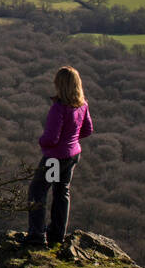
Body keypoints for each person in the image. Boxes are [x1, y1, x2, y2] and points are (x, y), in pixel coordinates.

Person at [26, 66, 94, 248]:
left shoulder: (59, 108)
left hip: (55, 159)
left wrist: (41, 141)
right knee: (61, 191)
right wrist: (70, 140)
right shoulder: (82, 105)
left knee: (38, 192)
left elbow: (51, 138)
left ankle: (37, 235)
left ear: (59, 84)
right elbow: (87, 130)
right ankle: (57, 233)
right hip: (72, 156)